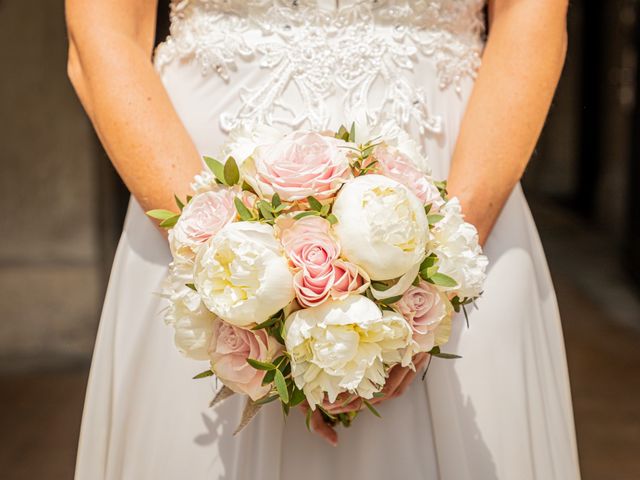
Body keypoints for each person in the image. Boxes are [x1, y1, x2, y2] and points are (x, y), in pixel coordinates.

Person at [67, 0, 581, 478]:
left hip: (460, 184)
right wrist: (221, 257)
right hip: (189, 184)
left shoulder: (450, 241)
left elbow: (530, 16)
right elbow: (103, 31)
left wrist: (435, 269)